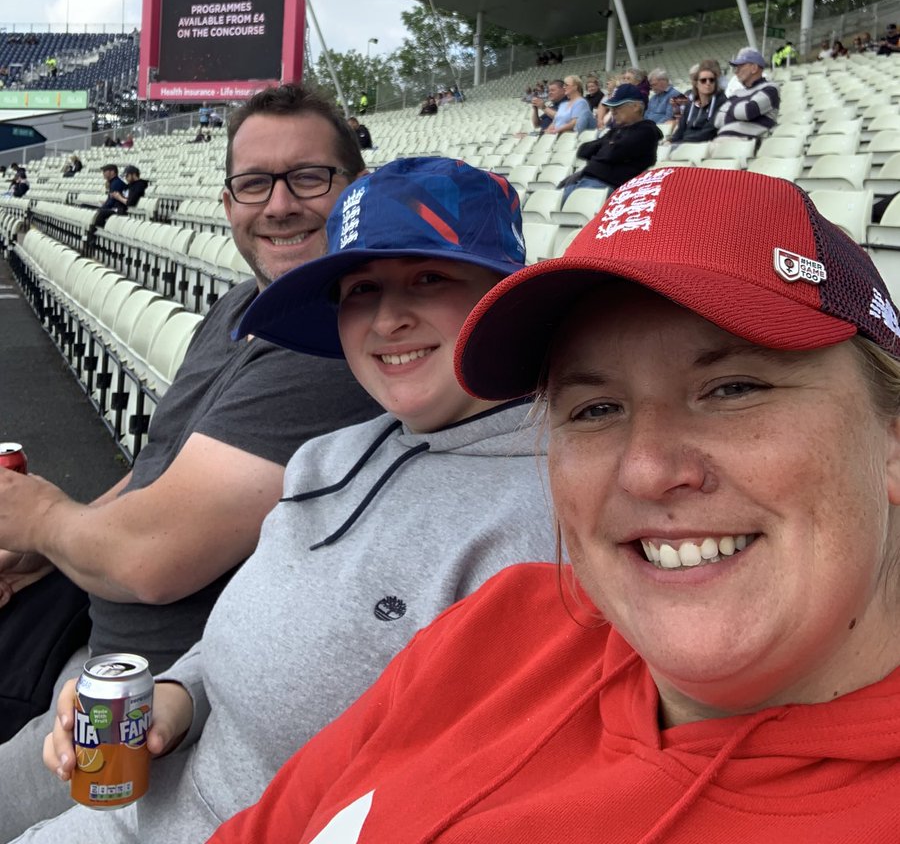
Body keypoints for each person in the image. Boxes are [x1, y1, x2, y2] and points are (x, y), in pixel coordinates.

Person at [205, 166, 900, 843]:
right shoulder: (500, 626)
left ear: (892, 441)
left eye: (734, 389)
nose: (648, 469)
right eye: (596, 408)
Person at [33, 158, 555, 844]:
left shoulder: (546, 518)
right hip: (150, 799)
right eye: (361, 288)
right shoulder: (327, 454)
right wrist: (176, 698)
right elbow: (253, 629)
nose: (389, 318)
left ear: (503, 296)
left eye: (430, 278)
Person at [0, 84, 379, 840]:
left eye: (309, 177)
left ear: (355, 190)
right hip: (94, 633)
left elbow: (151, 561)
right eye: (253, 183)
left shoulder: (335, 341)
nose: (278, 204)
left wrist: (45, 521)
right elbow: (154, 472)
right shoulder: (243, 302)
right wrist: (45, 550)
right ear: (228, 197)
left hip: (160, 693)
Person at [560, 82, 660, 203]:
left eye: (618, 107)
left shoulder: (646, 131)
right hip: (586, 180)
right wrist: (607, 145)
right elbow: (583, 150)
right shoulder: (617, 130)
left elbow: (612, 153)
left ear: (636, 107)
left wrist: (603, 147)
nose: (612, 111)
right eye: (611, 107)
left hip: (608, 187)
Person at [714, 46, 779, 147]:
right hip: (724, 141)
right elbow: (718, 120)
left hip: (748, 144)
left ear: (754, 68)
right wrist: (738, 112)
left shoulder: (770, 89)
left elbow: (747, 112)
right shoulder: (737, 93)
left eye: (740, 67)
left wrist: (731, 110)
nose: (736, 72)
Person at [670, 61, 726, 146]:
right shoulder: (690, 103)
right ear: (696, 83)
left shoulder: (721, 101)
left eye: (711, 80)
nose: (708, 83)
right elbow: (681, 128)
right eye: (703, 80)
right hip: (684, 144)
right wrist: (671, 141)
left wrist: (683, 143)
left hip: (704, 146)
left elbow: (710, 130)